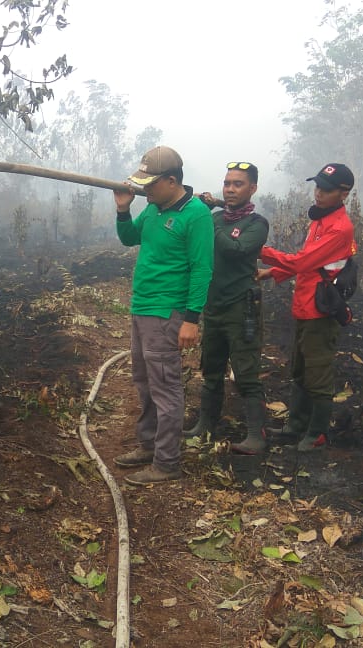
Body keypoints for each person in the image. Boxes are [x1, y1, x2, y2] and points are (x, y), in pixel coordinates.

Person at [112, 146, 214, 485]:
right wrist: (123, 210)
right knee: (144, 381)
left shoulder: (196, 215)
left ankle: (167, 461)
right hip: (142, 307)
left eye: (150, 184)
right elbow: (129, 238)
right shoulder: (153, 209)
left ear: (172, 181)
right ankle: (149, 444)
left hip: (166, 313)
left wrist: (190, 319)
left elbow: (202, 270)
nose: (145, 190)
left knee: (165, 388)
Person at [257, 163, 356, 452]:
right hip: (304, 305)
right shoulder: (320, 221)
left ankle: (317, 433)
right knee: (299, 370)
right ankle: (295, 426)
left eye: (326, 190)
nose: (318, 194)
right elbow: (308, 262)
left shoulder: (340, 228)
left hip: (320, 312)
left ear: (344, 193)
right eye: (317, 187)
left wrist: (260, 250)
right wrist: (273, 273)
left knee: (318, 372)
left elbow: (301, 262)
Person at [183, 163, 272, 455]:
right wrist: (198, 212)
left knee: (246, 372)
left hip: (241, 307)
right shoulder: (217, 218)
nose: (230, 189)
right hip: (214, 305)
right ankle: (206, 425)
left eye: (237, 184)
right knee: (211, 369)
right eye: (227, 183)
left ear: (252, 189)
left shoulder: (257, 224)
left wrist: (209, 222)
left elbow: (237, 250)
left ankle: (255, 436)